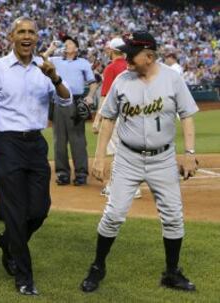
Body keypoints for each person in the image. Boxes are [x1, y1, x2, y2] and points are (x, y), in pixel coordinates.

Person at [80, 31, 198, 293]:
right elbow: (108, 118)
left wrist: (190, 154)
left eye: (131, 53)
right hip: (128, 157)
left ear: (149, 55)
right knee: (113, 215)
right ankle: (97, 267)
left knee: (173, 217)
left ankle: (171, 272)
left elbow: (187, 115)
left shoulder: (173, 79)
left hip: (163, 158)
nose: (126, 57)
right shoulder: (122, 80)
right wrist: (99, 156)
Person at [0, 16, 72, 295]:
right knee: (15, 213)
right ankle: (24, 276)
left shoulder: (45, 68)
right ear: (11, 37)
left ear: (37, 37)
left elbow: (66, 100)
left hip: (35, 145)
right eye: (21, 32)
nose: (27, 36)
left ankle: (8, 243)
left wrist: (54, 77)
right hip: (7, 144)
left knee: (40, 210)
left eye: (31, 32)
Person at [44, 36, 97, 186]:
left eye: (70, 43)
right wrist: (51, 49)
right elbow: (41, 60)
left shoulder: (83, 63)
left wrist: (90, 96)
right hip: (58, 101)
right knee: (58, 140)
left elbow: (93, 83)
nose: (66, 45)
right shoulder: (55, 60)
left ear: (76, 48)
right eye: (65, 43)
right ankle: (62, 173)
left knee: (78, 140)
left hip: (76, 101)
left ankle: (81, 173)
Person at [92, 37, 142, 199]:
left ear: (112, 51)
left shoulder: (111, 68)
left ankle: (119, 186)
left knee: (118, 152)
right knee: (129, 149)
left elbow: (105, 97)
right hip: (135, 113)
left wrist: (98, 118)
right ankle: (132, 186)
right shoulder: (133, 66)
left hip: (117, 114)